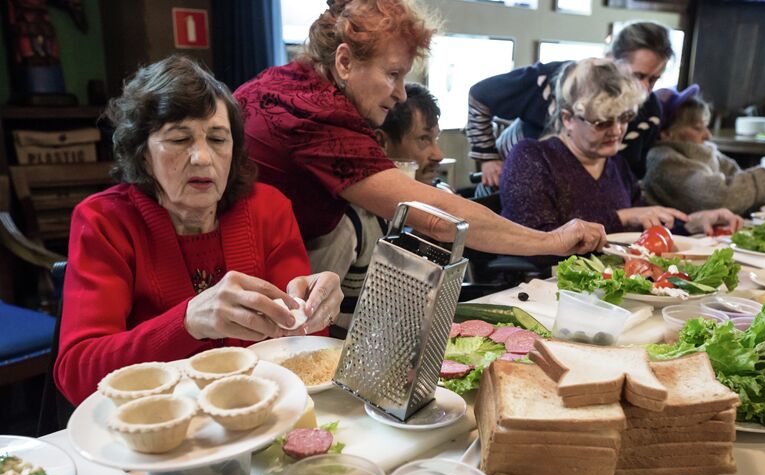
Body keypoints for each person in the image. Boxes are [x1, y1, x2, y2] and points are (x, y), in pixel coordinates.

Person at [234, 0, 607, 280]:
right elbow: (439, 219)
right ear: (344, 62)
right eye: (392, 74)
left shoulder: (290, 82)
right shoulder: (317, 113)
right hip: (248, 270)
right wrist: (551, 241)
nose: (400, 94)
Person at [55, 56, 343, 405]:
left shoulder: (269, 208)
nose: (203, 158)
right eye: (179, 139)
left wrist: (312, 311)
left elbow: (301, 344)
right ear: (143, 153)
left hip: (259, 414)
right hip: (156, 427)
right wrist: (187, 321)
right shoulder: (105, 221)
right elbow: (77, 375)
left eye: (218, 139)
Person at [499, 58, 742, 239]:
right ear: (568, 119)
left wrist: (693, 223)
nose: (616, 131)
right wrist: (621, 217)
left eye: (624, 118)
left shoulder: (615, 164)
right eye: (603, 122)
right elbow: (534, 243)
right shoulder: (532, 159)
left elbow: (645, 218)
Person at [468, 21, 674, 187]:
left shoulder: (651, 112)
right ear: (611, 58)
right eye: (638, 76)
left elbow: (628, 176)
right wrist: (488, 157)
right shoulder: (553, 80)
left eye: (655, 79)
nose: (646, 89)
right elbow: (479, 96)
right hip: (509, 182)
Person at [643, 86, 765, 215]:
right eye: (697, 128)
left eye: (706, 127)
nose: (708, 135)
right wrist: (763, 179)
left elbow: (736, 175)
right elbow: (719, 199)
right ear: (666, 133)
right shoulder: (664, 161)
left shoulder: (706, 151)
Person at [377, 82, 444, 185]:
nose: (438, 155)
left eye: (436, 138)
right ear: (381, 142)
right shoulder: (360, 199)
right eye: (423, 139)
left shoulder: (443, 191)